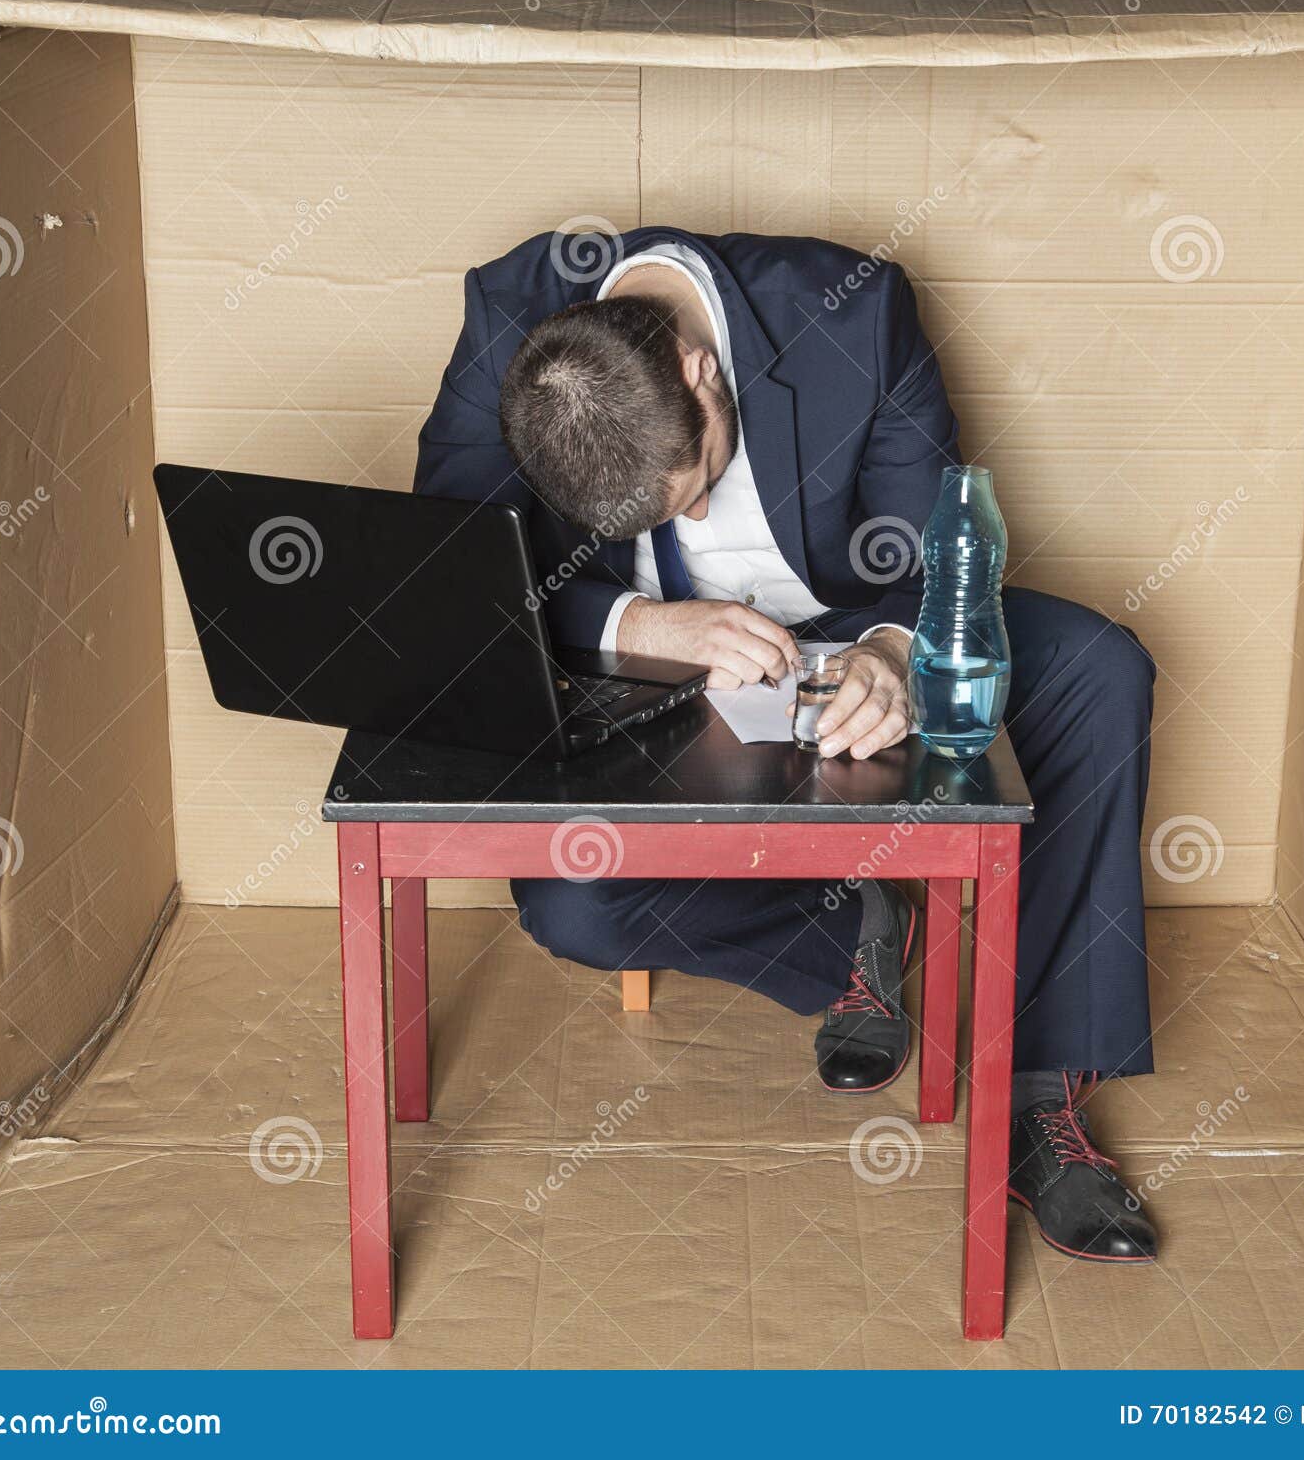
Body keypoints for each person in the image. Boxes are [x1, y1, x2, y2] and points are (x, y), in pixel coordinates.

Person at [416, 226, 1160, 1263]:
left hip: (860, 618)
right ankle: (857, 926)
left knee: (1100, 667)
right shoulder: (510, 316)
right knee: (569, 899)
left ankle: (1040, 1087)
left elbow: (926, 530)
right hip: (661, 659)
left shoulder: (850, 306)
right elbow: (453, 565)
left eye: (704, 473)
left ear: (698, 367)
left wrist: (894, 651)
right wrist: (639, 624)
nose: (708, 512)